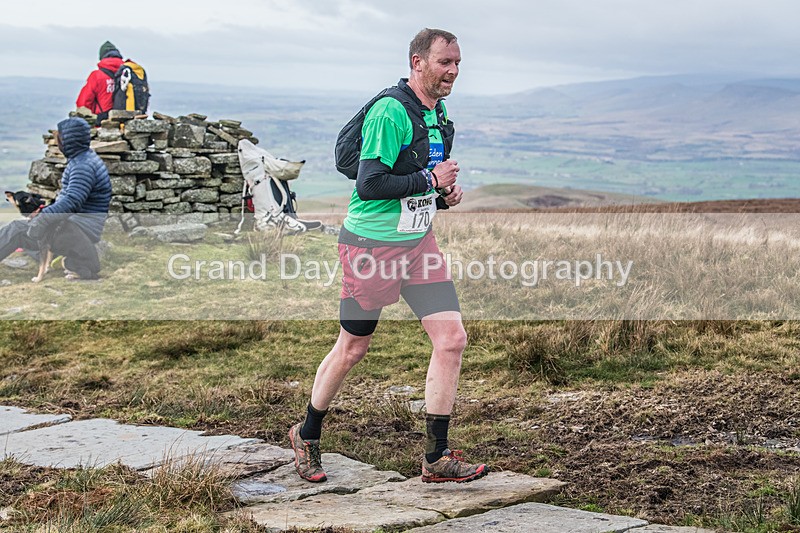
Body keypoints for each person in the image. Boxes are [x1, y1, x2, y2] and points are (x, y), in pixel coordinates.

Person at [289, 28, 488, 484]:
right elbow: (371, 184)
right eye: (445, 62)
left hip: (418, 245)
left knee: (451, 339)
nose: (453, 71)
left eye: (458, 63)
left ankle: (435, 458)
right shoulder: (391, 112)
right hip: (371, 247)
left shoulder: (436, 115)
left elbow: (416, 180)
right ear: (418, 63)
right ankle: (306, 434)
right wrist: (431, 182)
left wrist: (443, 196)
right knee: (354, 346)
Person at [0, 117, 112, 277]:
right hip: (75, 225)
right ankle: (56, 258)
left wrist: (43, 218)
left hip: (79, 229)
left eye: (60, 137)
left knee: (17, 229)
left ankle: (62, 257)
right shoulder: (83, 159)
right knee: (27, 231)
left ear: (69, 140)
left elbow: (71, 202)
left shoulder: (83, 167)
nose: (57, 141)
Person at [76, 41, 124, 121]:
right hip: (126, 124)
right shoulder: (127, 74)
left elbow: (83, 103)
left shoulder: (97, 76)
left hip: (102, 123)